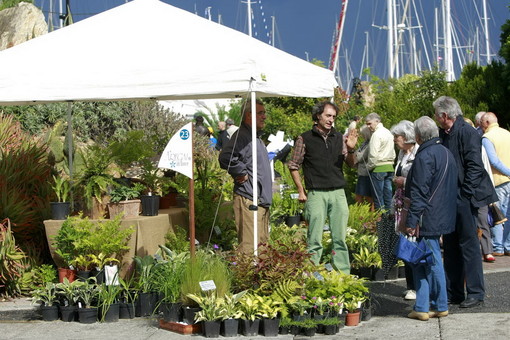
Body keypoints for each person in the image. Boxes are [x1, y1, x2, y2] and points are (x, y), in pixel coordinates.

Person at [433, 96, 497, 308]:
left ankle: (476, 293)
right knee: (450, 245)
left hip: (465, 197)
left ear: (444, 115)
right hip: (450, 197)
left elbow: (474, 167)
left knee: (469, 245)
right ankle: (455, 292)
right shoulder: (444, 133)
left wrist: (465, 195)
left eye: (436, 114)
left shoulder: (467, 132)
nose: (435, 118)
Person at [287, 101, 357, 273]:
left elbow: (352, 164)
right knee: (314, 239)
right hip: (316, 193)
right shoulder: (304, 138)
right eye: (328, 115)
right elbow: (293, 165)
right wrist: (301, 190)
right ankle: (310, 275)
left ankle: (343, 275)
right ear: (318, 115)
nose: (331, 119)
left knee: (340, 238)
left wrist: (351, 149)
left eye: (333, 116)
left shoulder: (340, 137)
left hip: (338, 192)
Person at [404, 116, 458, 321]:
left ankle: (437, 304)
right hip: (441, 214)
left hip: (427, 217)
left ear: (417, 136)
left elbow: (419, 192)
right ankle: (424, 305)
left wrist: (411, 222)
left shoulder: (425, 155)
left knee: (429, 261)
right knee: (426, 261)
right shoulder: (445, 152)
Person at [218, 99, 272, 255]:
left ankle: (258, 279)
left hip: (259, 201)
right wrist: (240, 172)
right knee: (250, 250)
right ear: (249, 115)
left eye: (264, 112)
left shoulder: (254, 136)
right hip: (249, 199)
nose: (264, 116)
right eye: (260, 113)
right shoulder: (242, 135)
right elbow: (225, 157)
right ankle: (246, 279)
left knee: (261, 249)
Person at [390, 120, 419, 300]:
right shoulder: (401, 153)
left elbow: (420, 180)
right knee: (404, 243)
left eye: (397, 136)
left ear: (407, 137)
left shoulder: (418, 153)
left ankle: (417, 286)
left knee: (413, 242)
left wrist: (404, 182)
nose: (394, 139)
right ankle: (410, 284)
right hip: (401, 204)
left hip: (412, 204)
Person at [466, 116, 495, 263]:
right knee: (470, 221)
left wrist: (490, 189)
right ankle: (475, 251)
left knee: (483, 220)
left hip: (480, 189)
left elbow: (486, 168)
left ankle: (487, 250)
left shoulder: (480, 147)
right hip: (468, 189)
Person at [480, 112, 510, 257]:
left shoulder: (487, 138)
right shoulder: (507, 133)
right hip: (509, 181)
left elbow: (493, 161)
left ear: (486, 122)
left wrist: (508, 172)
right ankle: (508, 245)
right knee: (508, 215)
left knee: (497, 214)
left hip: (498, 180)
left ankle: (498, 247)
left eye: (481, 124)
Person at [365, 112, 396, 211]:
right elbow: (393, 152)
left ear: (377, 121)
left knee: (378, 199)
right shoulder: (388, 132)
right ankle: (389, 225)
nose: (368, 126)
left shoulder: (376, 135)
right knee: (388, 198)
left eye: (370, 123)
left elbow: (373, 155)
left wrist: (369, 167)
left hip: (378, 168)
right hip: (390, 167)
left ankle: (382, 225)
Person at [353, 124, 373, 207]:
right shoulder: (364, 143)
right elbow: (356, 154)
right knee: (359, 194)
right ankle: (361, 214)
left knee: (367, 196)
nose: (361, 135)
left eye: (363, 134)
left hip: (366, 173)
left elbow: (360, 157)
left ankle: (371, 216)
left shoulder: (370, 143)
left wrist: (356, 155)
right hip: (361, 173)